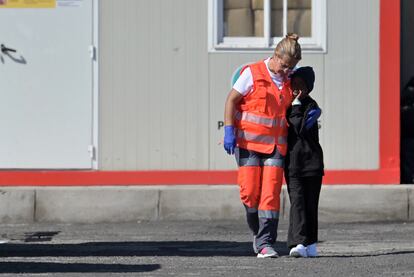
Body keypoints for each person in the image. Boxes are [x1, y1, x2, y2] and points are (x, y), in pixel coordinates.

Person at [223, 34, 319, 258]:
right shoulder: (253, 73)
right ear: (275, 56)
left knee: (270, 194)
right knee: (249, 193)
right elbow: (231, 100)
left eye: (291, 68)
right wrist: (229, 131)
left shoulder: (289, 79)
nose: (286, 72)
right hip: (248, 144)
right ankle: (258, 234)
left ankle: (265, 243)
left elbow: (305, 89)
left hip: (276, 146)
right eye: (284, 66)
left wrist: (313, 108)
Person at [284, 66, 324, 258]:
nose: (296, 88)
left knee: (310, 204)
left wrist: (297, 104)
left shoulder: (312, 107)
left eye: (301, 85)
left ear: (308, 88)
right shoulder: (287, 105)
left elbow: (299, 127)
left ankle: (310, 243)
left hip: (312, 164)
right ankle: (298, 242)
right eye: (294, 84)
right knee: (297, 202)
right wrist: (293, 104)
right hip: (293, 164)